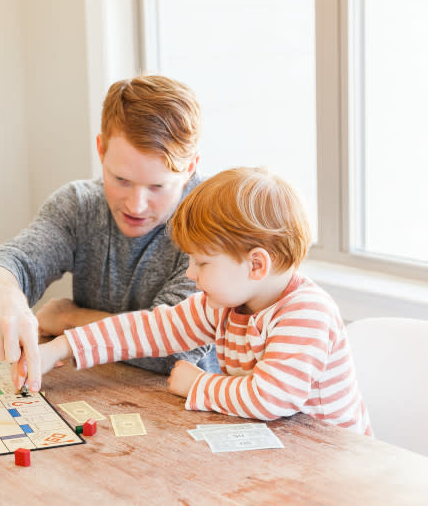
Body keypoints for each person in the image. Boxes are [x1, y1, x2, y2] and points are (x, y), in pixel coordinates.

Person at [38, 167, 372, 436]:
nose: (190, 275)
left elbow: (271, 397)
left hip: (334, 467)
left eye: (202, 263)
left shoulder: (306, 313)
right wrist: (61, 348)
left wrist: (198, 384)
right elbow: (151, 329)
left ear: (256, 265)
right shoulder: (224, 303)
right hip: (281, 451)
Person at [0, 74, 218, 392]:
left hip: (189, 412)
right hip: (100, 392)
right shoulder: (80, 206)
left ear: (190, 167)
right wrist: (1, 294)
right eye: (121, 179)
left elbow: (175, 349)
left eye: (157, 187)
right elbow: (9, 261)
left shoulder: (212, 221)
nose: (137, 206)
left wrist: (71, 318)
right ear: (100, 149)